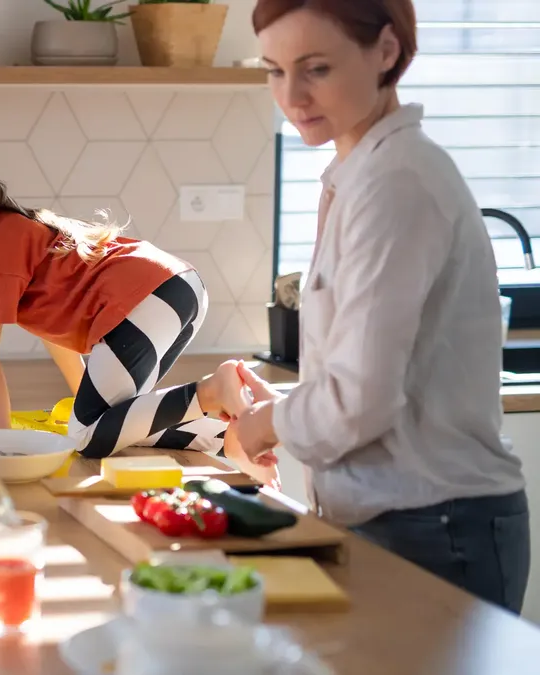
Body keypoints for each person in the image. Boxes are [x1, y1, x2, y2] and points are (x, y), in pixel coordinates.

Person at [230, 0, 530, 613]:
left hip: (438, 526)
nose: (292, 96)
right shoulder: (358, 173)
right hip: (403, 517)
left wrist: (265, 425)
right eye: (275, 70)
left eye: (315, 68)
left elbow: (359, 402)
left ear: (386, 52)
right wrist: (284, 408)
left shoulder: (397, 183)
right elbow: (367, 384)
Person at [0, 123, 264, 474]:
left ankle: (214, 389)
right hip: (173, 289)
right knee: (118, 421)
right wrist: (85, 399)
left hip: (147, 298)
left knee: (85, 435)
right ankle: (227, 435)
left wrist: (1, 445)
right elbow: (53, 333)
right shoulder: (8, 230)